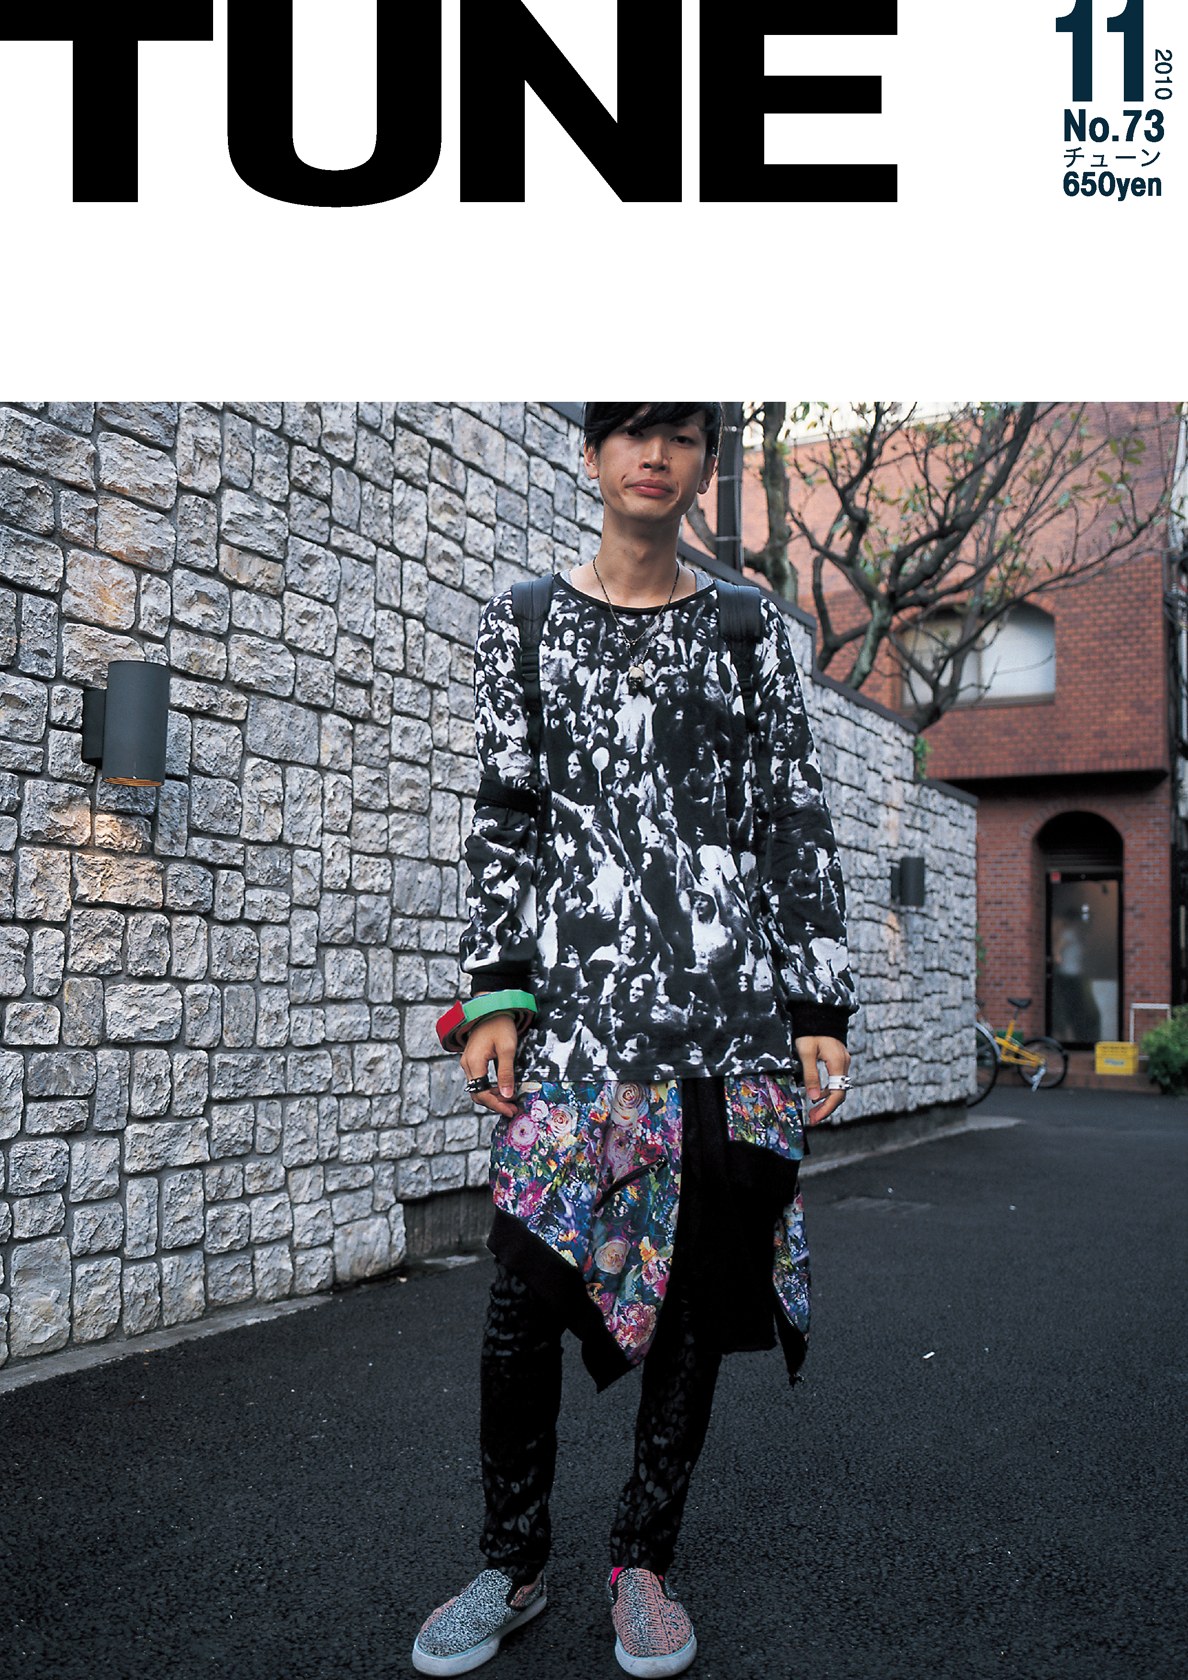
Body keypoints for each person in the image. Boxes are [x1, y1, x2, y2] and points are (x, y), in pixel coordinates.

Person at [412, 403, 856, 1677]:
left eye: (681, 435)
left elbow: (791, 817)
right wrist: (494, 996)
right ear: (593, 453)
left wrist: (816, 1006)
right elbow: (507, 813)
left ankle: (641, 1564)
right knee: (521, 1300)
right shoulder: (524, 621)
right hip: (577, 1031)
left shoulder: (751, 630)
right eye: (631, 430)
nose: (655, 455)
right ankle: (511, 1562)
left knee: (696, 1305)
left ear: (704, 463)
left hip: (726, 1023)